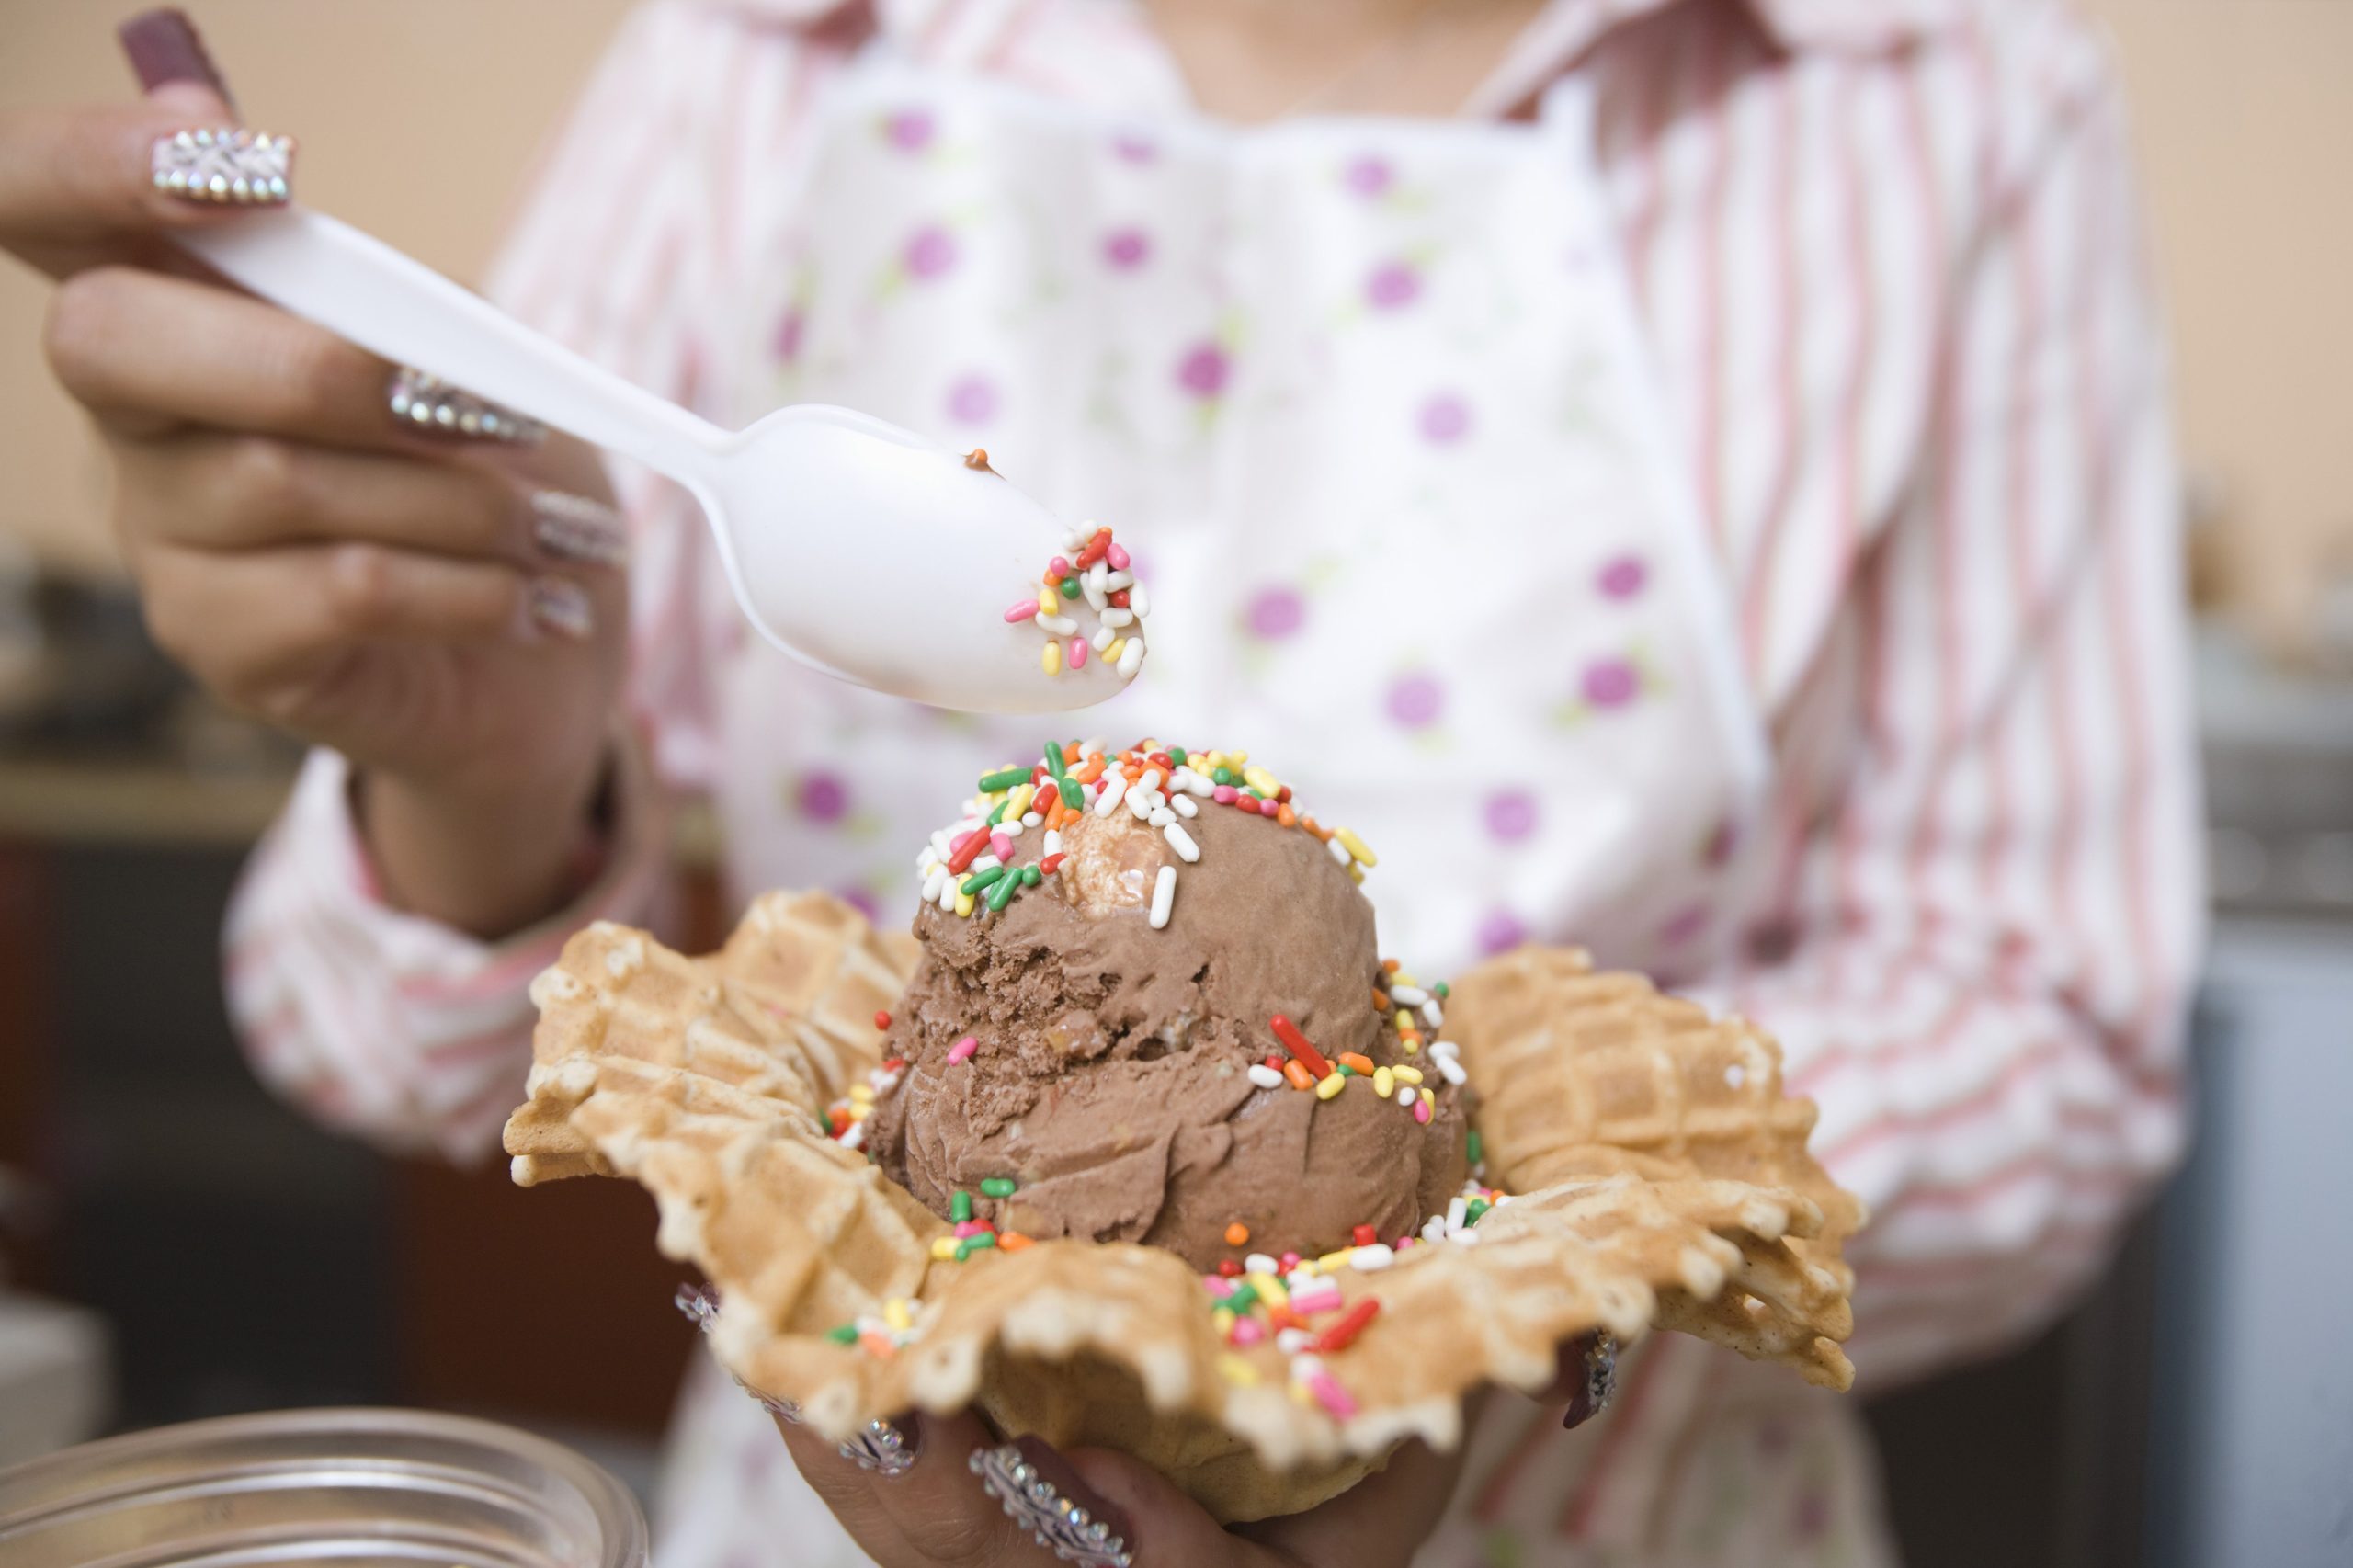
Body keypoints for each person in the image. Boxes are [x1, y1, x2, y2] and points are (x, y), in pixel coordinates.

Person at [0, 0, 2202, 1562]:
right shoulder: (773, 44)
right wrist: (482, 774)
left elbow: (2051, 1036)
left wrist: (1545, 1268)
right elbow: (366, 1023)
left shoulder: (1937, 90)